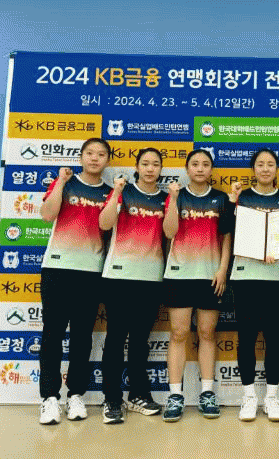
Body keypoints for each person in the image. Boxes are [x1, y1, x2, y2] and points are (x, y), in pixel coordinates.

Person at [38, 138, 112, 424]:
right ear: (81, 157)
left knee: (82, 336)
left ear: (107, 160)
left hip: (91, 272)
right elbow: (47, 215)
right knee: (52, 334)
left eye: (101, 154)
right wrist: (60, 182)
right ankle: (49, 398)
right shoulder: (65, 185)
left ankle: (76, 395)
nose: (94, 158)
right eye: (89, 153)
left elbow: (108, 226)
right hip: (57, 269)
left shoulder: (110, 192)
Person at [161, 149, 233, 422]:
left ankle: (207, 393)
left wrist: (223, 269)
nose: (200, 168)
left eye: (205, 164)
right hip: (179, 274)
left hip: (210, 276)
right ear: (187, 168)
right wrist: (173, 199)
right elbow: (169, 232)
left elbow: (226, 237)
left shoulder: (221, 199)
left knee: (207, 333)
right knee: (178, 333)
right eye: (195, 164)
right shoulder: (176, 196)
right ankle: (175, 395)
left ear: (211, 169)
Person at [99, 148, 168, 424]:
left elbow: (170, 234)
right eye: (145, 164)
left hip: (151, 278)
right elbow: (104, 224)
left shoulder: (166, 198)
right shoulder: (123, 192)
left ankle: (138, 395)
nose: (150, 169)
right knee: (116, 339)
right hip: (118, 276)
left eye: (155, 164)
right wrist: (116, 192)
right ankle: (112, 399)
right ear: (137, 167)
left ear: (161, 169)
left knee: (140, 341)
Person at [228, 148, 279, 422]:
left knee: (274, 338)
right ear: (253, 169)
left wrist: (276, 250)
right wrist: (232, 201)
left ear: (276, 169)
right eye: (260, 164)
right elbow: (229, 230)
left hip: (276, 276)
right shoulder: (242, 197)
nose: (265, 169)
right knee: (246, 338)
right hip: (245, 276)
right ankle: (248, 397)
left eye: (270, 164)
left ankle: (271, 397)